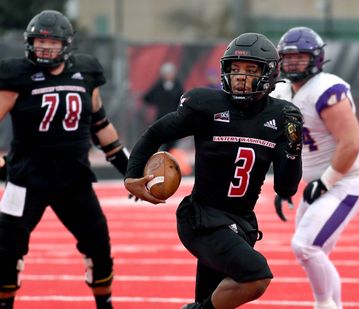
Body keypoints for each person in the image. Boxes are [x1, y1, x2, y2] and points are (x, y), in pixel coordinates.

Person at [124, 32, 303, 309]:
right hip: (202, 218)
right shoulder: (207, 105)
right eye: (235, 69)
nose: (241, 76)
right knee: (256, 276)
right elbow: (156, 131)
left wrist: (293, 147)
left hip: (242, 222)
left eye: (250, 70)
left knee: (215, 297)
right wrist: (132, 174)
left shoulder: (282, 116)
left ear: (269, 74)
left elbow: (286, 188)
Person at [0, 10, 129, 309]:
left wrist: (126, 166)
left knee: (99, 245)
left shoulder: (85, 71)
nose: (45, 47)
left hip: (74, 179)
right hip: (26, 179)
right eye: (39, 41)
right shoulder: (15, 75)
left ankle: (104, 304)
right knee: (6, 250)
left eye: (52, 42)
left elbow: (99, 123)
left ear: (66, 45)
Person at [271, 27, 359, 309]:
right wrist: (285, 184)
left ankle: (325, 305)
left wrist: (325, 181)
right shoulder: (282, 91)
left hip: (344, 182)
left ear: (315, 58)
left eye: (299, 57)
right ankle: (328, 304)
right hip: (318, 183)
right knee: (314, 252)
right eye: (287, 58)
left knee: (306, 247)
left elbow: (351, 142)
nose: (291, 63)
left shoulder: (326, 89)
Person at [142, 61, 184, 151]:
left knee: (173, 138)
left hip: (174, 116)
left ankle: (170, 153)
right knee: (159, 137)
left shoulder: (178, 86)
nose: (169, 75)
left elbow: (182, 99)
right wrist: (157, 102)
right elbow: (147, 97)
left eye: (170, 73)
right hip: (161, 116)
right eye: (166, 73)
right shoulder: (158, 86)